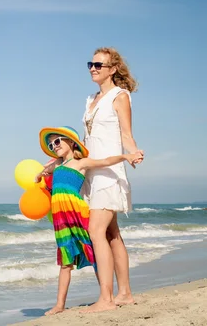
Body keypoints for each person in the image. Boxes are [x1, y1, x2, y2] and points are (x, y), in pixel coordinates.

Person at [36, 126, 143, 316]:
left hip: (76, 213)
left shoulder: (81, 163)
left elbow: (105, 161)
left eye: (58, 141)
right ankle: (59, 304)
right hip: (60, 219)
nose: (54, 146)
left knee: (91, 250)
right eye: (52, 145)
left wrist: (126, 156)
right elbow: (44, 172)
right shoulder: (56, 165)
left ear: (70, 141)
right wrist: (40, 175)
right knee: (65, 259)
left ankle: (106, 295)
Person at [80, 47, 144, 312]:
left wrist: (133, 152)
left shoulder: (120, 96)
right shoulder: (90, 99)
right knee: (111, 233)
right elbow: (86, 140)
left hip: (110, 172)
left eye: (99, 64)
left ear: (113, 69)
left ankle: (106, 299)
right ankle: (125, 293)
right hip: (92, 173)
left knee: (96, 231)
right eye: (90, 64)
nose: (93, 68)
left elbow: (126, 133)